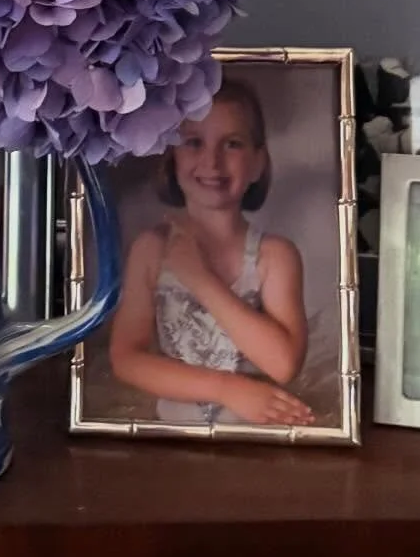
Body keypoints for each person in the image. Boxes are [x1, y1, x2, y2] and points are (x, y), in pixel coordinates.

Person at [106, 79, 313, 428]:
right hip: (171, 440)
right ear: (172, 157)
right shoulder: (151, 250)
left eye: (232, 144)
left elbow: (283, 364)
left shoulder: (274, 256)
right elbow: (126, 358)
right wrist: (226, 389)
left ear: (258, 163)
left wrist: (199, 279)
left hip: (255, 442)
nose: (211, 161)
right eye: (194, 143)